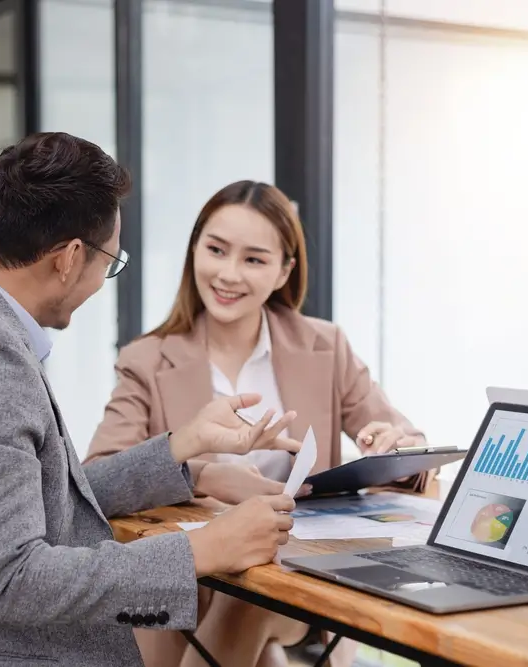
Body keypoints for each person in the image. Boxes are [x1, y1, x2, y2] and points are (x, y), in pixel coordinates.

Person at [0, 134, 307, 667]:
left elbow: (37, 494)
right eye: (110, 260)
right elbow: (13, 581)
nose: (104, 277)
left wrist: (182, 456)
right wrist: (205, 549)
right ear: (70, 257)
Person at [84, 180, 433, 667]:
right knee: (207, 606)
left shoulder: (325, 346)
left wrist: (393, 447)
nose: (228, 274)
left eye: (253, 259)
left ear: (284, 270)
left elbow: (406, 445)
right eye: (216, 250)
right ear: (194, 251)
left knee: (242, 596)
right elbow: (99, 475)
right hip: (191, 572)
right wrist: (204, 475)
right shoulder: (147, 359)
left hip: (293, 577)